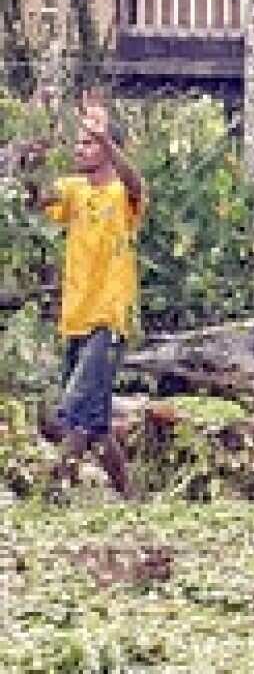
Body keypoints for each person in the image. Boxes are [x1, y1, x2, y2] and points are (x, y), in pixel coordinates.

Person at [23, 95, 146, 499]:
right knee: (96, 423)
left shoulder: (122, 194)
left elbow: (137, 184)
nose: (80, 148)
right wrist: (29, 164)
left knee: (70, 409)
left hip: (109, 318)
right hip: (75, 315)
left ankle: (56, 485)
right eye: (78, 143)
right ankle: (129, 493)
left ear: (109, 149)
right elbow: (36, 199)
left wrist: (107, 139)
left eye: (89, 143)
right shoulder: (73, 190)